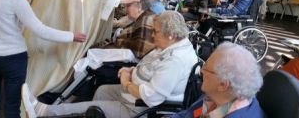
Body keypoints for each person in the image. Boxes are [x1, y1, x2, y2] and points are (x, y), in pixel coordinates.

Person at [22, 11, 198, 118]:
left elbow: (152, 98)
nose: (152, 35)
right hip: (135, 92)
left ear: (170, 35)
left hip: (139, 107)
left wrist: (127, 83)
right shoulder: (169, 45)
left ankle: (44, 112)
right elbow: (148, 65)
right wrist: (130, 70)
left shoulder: (175, 59)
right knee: (102, 90)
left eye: (156, 32)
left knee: (92, 107)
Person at [24, 0, 141, 96]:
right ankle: (34, 98)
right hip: (49, 28)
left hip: (47, 25)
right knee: (45, 70)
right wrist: (121, 0)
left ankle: (32, 95)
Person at [170, 42, 265, 118]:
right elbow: (190, 114)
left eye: (206, 68)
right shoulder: (216, 97)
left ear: (222, 85)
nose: (202, 70)